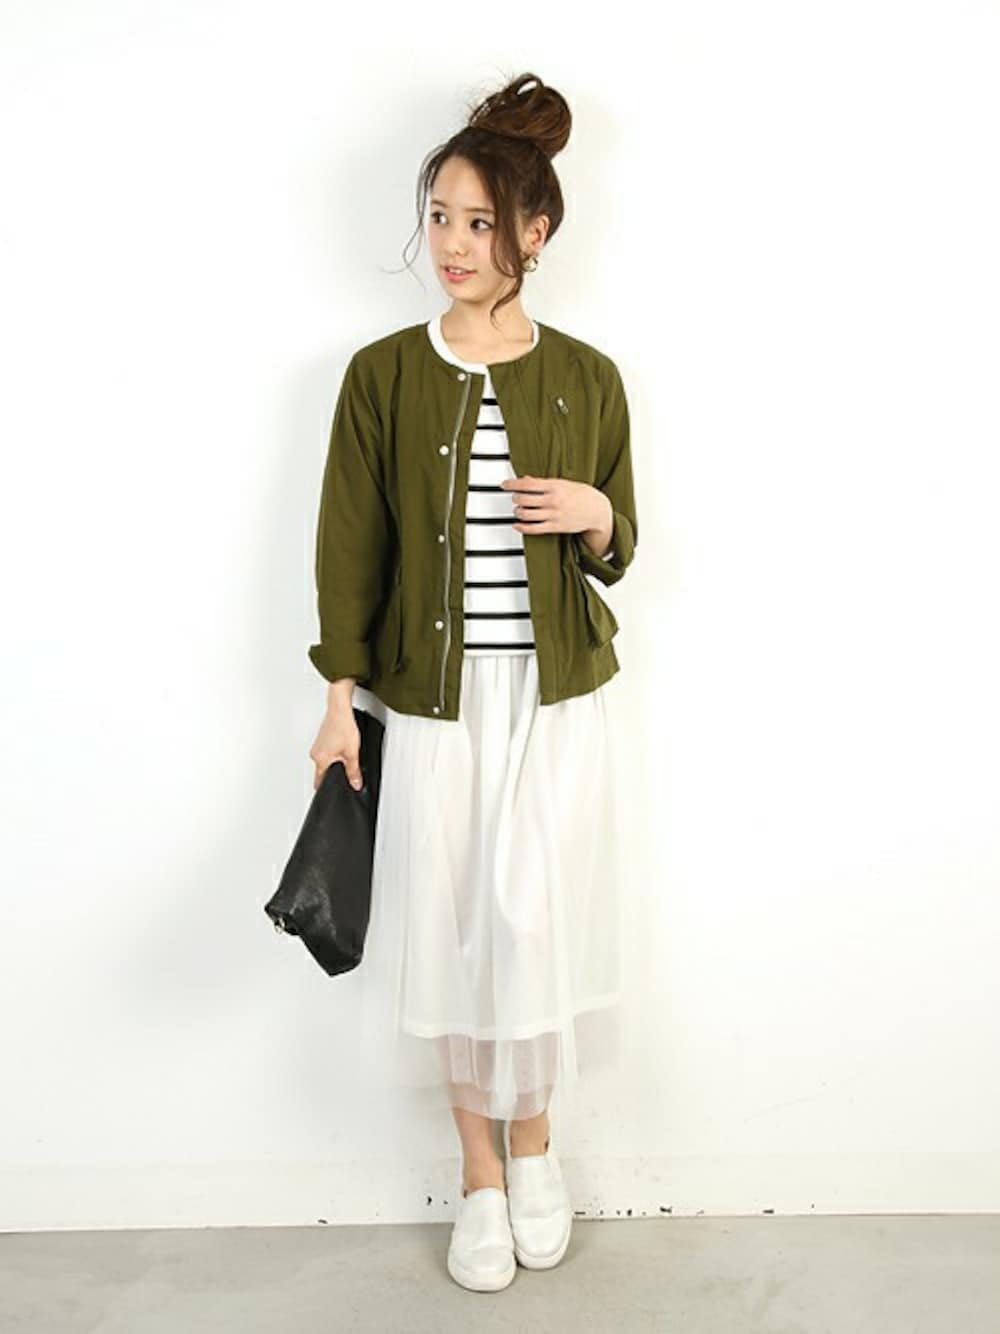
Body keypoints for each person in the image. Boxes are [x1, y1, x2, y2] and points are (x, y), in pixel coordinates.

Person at [306, 71, 638, 1292]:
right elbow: (349, 548)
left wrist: (596, 510)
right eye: (440, 217)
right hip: (435, 704)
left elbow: (620, 542)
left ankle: (536, 1145)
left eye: (480, 222)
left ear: (534, 232)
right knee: (454, 933)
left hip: (556, 704)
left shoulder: (588, 375)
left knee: (530, 926)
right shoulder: (382, 375)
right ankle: (481, 1174)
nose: (451, 244)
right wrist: (338, 703)